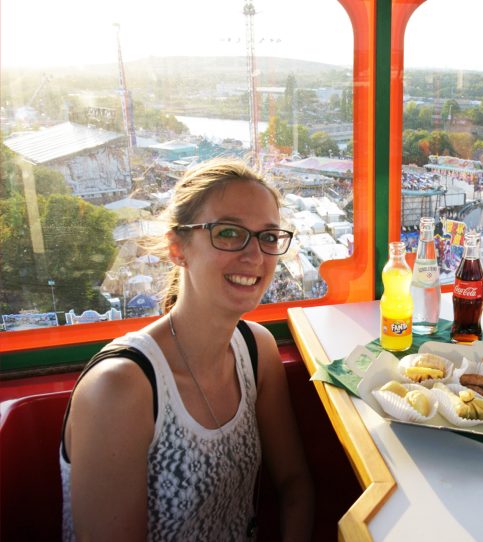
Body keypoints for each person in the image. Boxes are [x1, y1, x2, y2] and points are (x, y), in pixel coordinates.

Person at [60, 158, 314, 540]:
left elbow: (296, 487)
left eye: (269, 236)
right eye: (229, 233)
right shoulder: (119, 388)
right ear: (178, 248)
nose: (255, 256)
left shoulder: (257, 350)